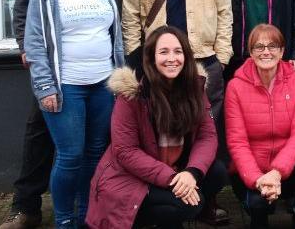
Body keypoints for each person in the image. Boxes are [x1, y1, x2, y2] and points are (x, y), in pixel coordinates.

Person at [3, 0, 127, 229]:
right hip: (61, 74)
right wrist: (27, 43)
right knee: (53, 144)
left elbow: (117, 14)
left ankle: (89, 214)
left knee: (93, 151)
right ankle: (32, 208)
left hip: (102, 80)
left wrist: (121, 71)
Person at [121, 0, 233, 225]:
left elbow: (226, 13)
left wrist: (222, 58)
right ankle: (167, 202)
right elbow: (130, 17)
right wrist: (137, 61)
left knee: (203, 139)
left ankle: (204, 204)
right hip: (158, 69)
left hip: (203, 65)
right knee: (161, 139)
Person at [23, 0, 124, 228]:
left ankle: (85, 217)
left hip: (103, 84)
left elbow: (114, 36)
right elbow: (35, 43)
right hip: (66, 87)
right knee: (69, 156)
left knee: (94, 152)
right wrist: (45, 88)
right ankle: (65, 220)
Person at [86, 26, 220, 228]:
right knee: (187, 205)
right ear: (151, 57)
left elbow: (207, 136)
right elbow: (125, 151)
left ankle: (170, 217)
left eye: (178, 51)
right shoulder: (133, 94)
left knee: (217, 173)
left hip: (176, 169)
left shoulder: (194, 88)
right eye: (163, 52)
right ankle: (142, 220)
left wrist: (192, 172)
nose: (172, 58)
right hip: (132, 177)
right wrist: (174, 179)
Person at [224, 24, 295, 229]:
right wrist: (259, 180)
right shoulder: (235, 87)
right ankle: (259, 218)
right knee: (258, 206)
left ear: (282, 51)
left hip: (287, 168)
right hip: (252, 171)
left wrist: (276, 173)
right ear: (250, 52)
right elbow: (236, 142)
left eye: (273, 46)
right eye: (259, 47)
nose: (266, 51)